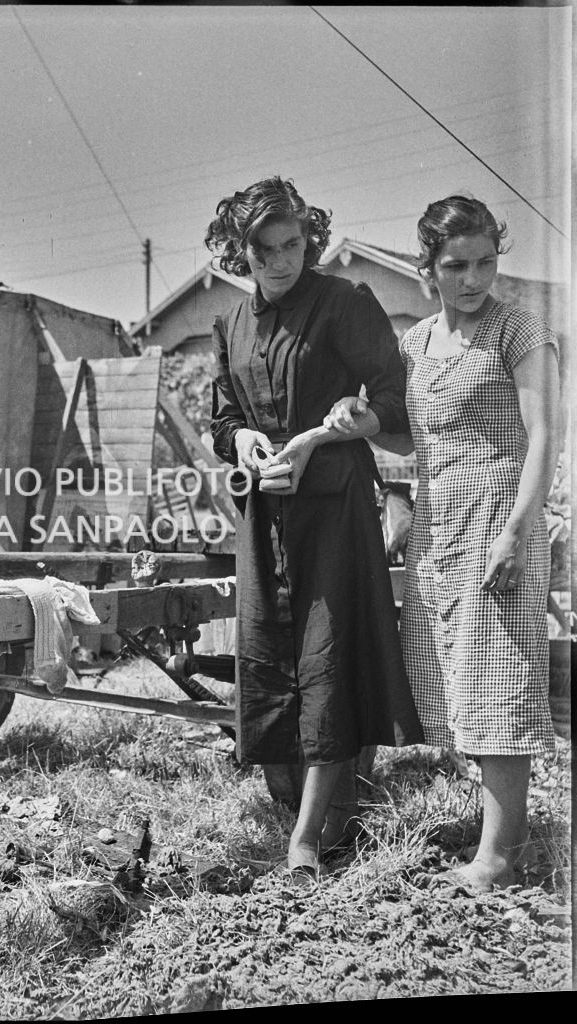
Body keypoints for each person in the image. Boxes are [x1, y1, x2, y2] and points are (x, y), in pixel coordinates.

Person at [327, 195, 561, 892]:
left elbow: (545, 435)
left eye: (487, 261)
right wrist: (367, 421)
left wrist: (518, 530)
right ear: (426, 267)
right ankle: (501, 836)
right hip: (440, 526)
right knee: (459, 679)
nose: (474, 278)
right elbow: (410, 434)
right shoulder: (416, 343)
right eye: (456, 265)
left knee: (501, 679)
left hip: (501, 519)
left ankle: (496, 859)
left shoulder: (519, 332)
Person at [206, 176, 423, 879]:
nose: (280, 260)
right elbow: (222, 418)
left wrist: (337, 431)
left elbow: (392, 400)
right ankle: (320, 809)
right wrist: (240, 442)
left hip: (332, 508)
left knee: (325, 661)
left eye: (292, 243)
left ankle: (306, 839)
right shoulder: (230, 325)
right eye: (264, 249)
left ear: (310, 237)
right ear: (241, 252)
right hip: (264, 515)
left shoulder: (343, 303)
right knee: (268, 658)